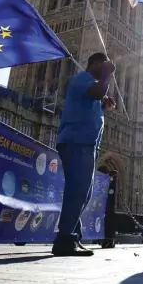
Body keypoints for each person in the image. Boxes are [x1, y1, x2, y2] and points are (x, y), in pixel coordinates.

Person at [52, 52, 116, 257]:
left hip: (83, 144)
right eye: (103, 64)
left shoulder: (88, 85)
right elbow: (98, 92)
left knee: (82, 192)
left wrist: (103, 107)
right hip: (77, 142)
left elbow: (92, 106)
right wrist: (106, 75)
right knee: (78, 190)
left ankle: (72, 237)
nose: (106, 68)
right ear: (95, 64)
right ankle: (64, 239)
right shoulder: (83, 78)